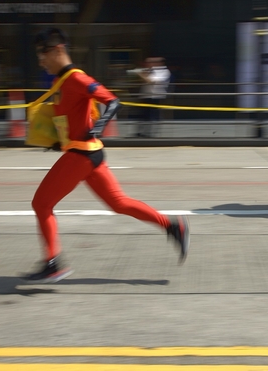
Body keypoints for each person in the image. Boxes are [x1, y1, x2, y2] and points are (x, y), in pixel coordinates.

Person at [26, 28, 189, 283]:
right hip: (89, 154)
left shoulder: (76, 78)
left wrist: (99, 126)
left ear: (58, 50)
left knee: (41, 204)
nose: (41, 61)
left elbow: (113, 101)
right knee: (119, 203)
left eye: (43, 54)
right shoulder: (61, 81)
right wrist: (58, 142)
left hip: (81, 155)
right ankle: (172, 226)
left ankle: (52, 263)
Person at [134, 57, 171, 138]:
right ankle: (140, 132)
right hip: (145, 95)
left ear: (159, 63)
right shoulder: (148, 70)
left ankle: (150, 133)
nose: (147, 64)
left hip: (155, 96)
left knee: (152, 115)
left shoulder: (164, 71)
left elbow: (151, 81)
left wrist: (141, 74)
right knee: (143, 115)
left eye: (150, 62)